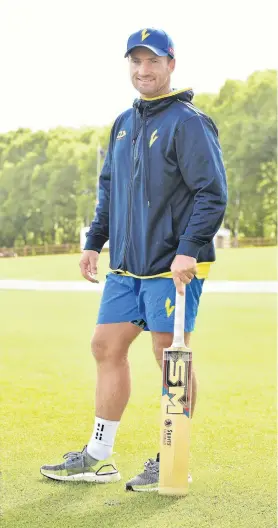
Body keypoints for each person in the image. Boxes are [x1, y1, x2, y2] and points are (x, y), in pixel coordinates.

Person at [40, 27, 227, 490]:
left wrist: (188, 250)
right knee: (105, 346)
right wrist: (93, 240)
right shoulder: (123, 123)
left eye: (153, 61)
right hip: (126, 267)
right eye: (136, 62)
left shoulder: (189, 122)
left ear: (171, 65)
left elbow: (212, 192)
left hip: (171, 266)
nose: (144, 70)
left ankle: (171, 459)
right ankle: (99, 457)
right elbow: (110, 190)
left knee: (170, 357)